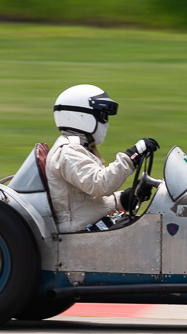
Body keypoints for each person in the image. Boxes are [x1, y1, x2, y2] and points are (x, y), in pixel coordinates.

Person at [45, 84, 158, 232]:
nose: (106, 122)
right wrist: (132, 156)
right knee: (153, 230)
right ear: (81, 116)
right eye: (103, 116)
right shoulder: (68, 152)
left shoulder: (76, 148)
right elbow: (100, 185)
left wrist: (126, 198)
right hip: (79, 233)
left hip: (88, 223)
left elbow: (87, 202)